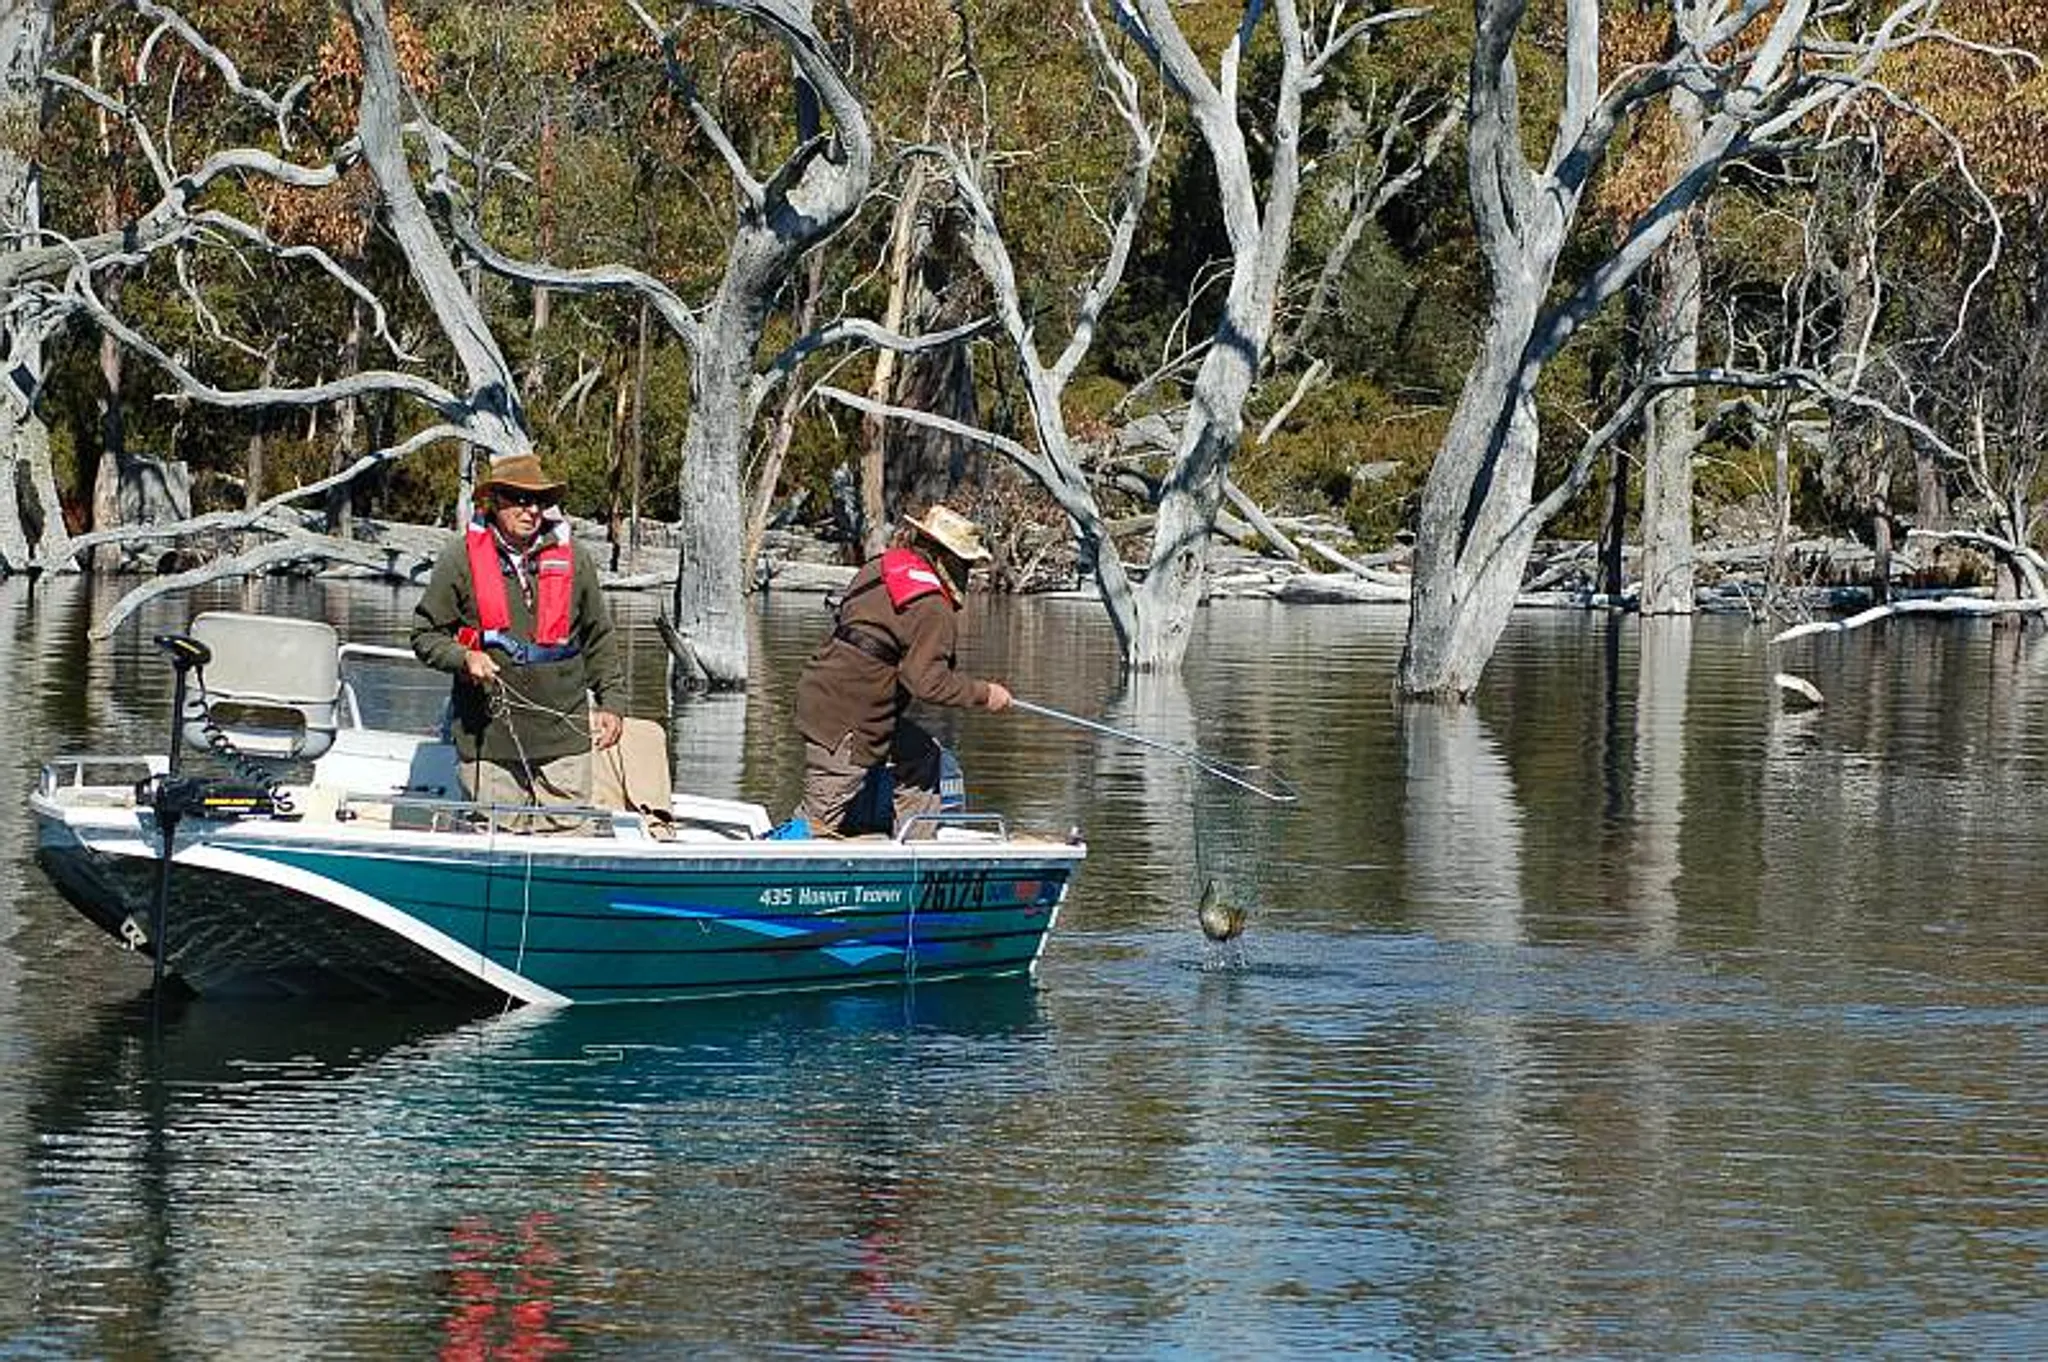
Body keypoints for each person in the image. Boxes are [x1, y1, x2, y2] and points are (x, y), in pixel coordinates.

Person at [411, 452, 624, 828]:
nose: (532, 510)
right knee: (497, 841)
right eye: (521, 499)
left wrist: (612, 702)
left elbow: (598, 636)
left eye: (540, 501)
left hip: (564, 737)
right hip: (488, 740)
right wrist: (464, 658)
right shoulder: (459, 558)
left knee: (567, 841)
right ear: (495, 501)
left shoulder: (574, 558)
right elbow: (425, 635)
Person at [794, 504, 1013, 836]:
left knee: (922, 756)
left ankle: (916, 846)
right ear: (948, 559)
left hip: (820, 691)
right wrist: (985, 694)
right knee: (818, 820)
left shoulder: (878, 568)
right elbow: (927, 683)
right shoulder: (933, 606)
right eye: (965, 564)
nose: (966, 572)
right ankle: (781, 860)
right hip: (850, 718)